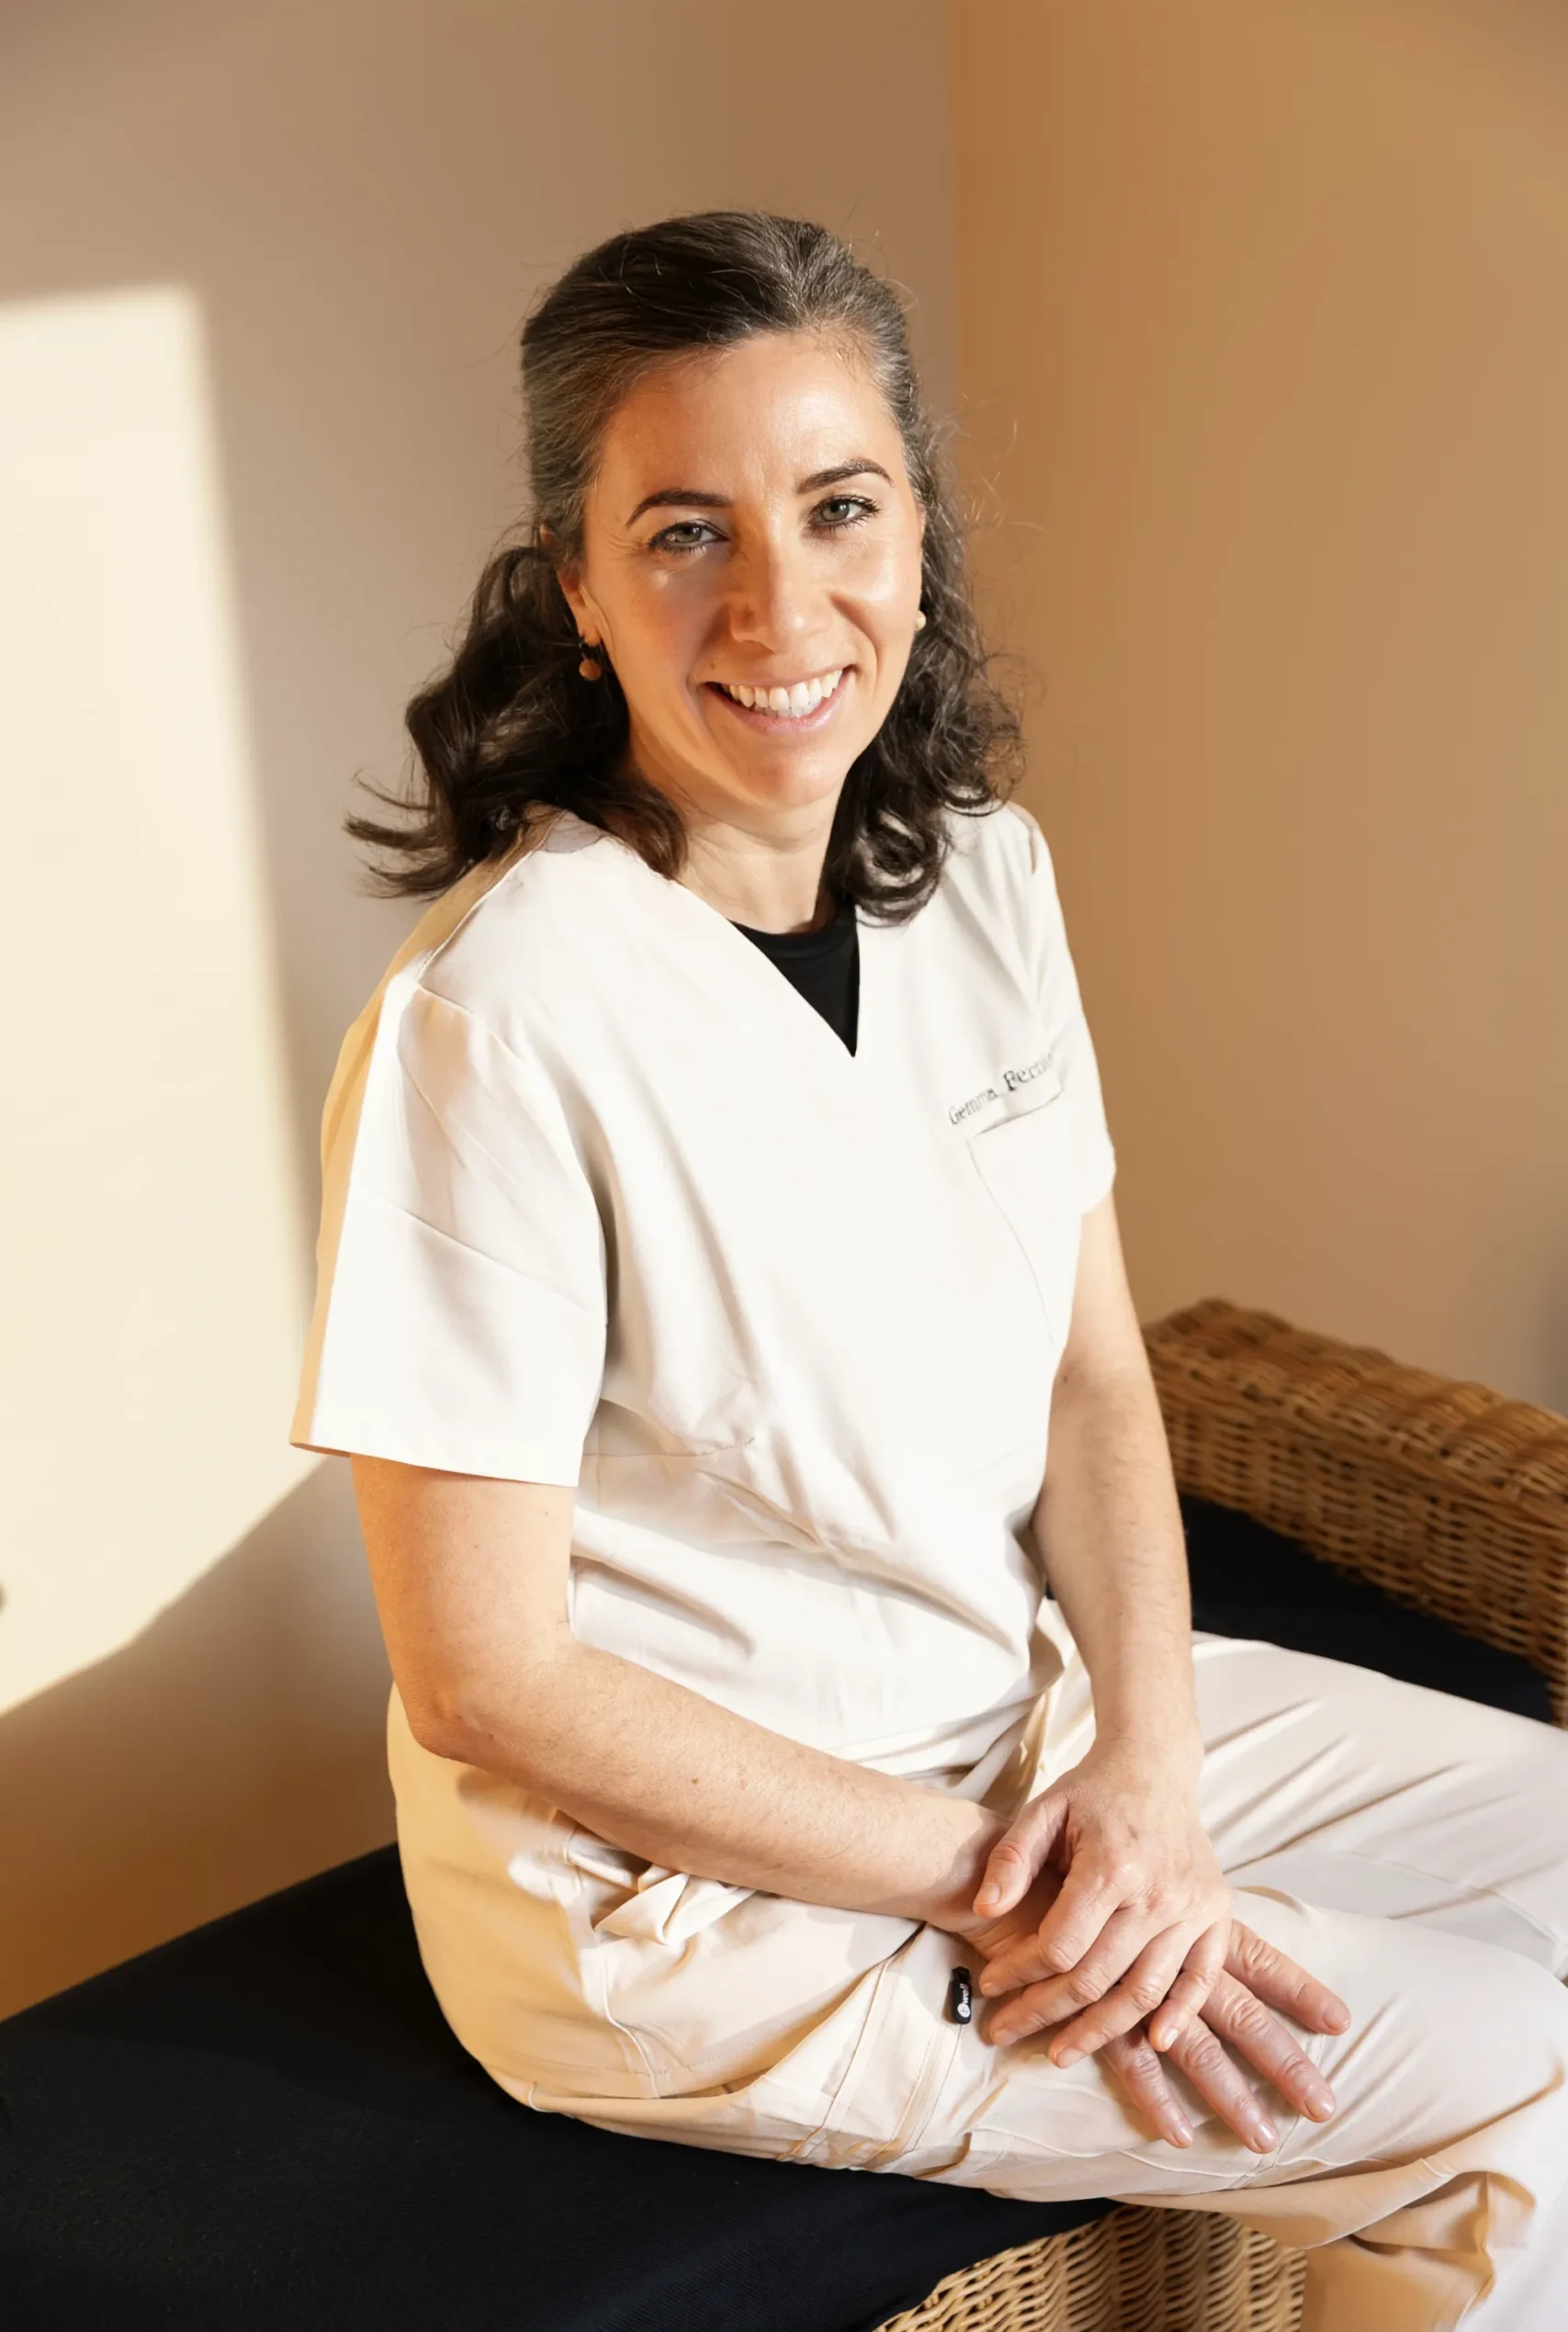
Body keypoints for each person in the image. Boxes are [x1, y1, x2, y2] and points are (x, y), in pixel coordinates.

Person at [290, 211, 1568, 2327]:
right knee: (1510, 2070)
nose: (782, 606)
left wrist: (1143, 1789)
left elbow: (1091, 1384)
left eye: (839, 507)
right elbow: (486, 1675)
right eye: (685, 530)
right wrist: (1043, 1889)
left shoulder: (983, 872)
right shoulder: (490, 1021)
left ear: (916, 530)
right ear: (577, 582)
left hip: (1023, 1731)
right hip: (688, 1897)